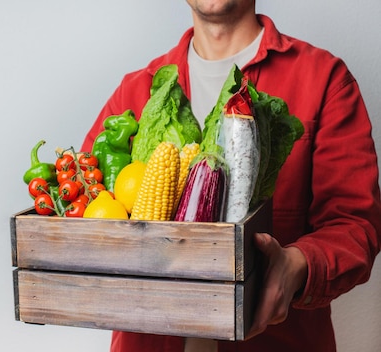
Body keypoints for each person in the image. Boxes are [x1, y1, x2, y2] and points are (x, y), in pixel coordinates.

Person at [80, 1, 381, 351]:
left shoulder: (324, 78)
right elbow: (88, 207)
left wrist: (296, 265)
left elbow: (356, 225)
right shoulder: (134, 90)